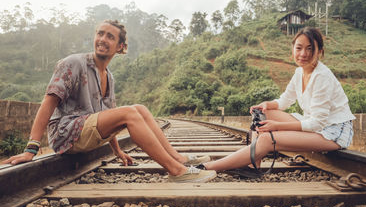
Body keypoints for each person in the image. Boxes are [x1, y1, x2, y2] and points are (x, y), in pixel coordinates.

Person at [1, 20, 216, 183]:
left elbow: (107, 117)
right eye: (100, 34)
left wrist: (117, 151)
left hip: (86, 130)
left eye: (110, 37)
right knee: (130, 112)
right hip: (65, 133)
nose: (103, 39)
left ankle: (178, 159)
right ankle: (177, 172)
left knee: (138, 108)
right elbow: (48, 102)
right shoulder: (74, 63)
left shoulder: (108, 76)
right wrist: (32, 148)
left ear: (120, 47)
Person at [199, 27, 355, 173]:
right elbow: (285, 100)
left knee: (267, 139)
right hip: (316, 125)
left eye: (310, 49)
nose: (303, 54)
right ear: (293, 49)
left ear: (319, 52)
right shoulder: (299, 72)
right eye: (299, 48)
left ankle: (207, 168)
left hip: (333, 132)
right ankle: (254, 164)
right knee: (262, 113)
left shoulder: (322, 76)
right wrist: (267, 105)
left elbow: (317, 123)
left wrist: (277, 126)